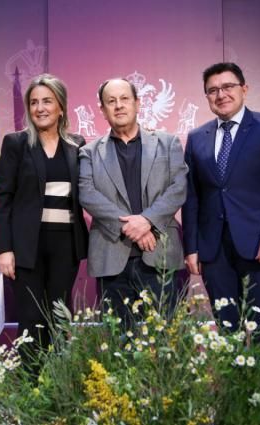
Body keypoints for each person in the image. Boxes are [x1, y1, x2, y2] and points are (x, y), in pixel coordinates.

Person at [182, 62, 260, 344]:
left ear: (244, 89)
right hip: (213, 250)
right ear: (206, 97)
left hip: (259, 246)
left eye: (228, 87)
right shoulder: (197, 137)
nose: (221, 94)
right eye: (213, 90)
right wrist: (192, 247)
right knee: (226, 329)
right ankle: (234, 388)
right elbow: (192, 195)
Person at [79, 78, 187, 325]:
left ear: (137, 104)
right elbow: (87, 194)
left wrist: (147, 221)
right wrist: (132, 228)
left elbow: (178, 188)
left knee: (165, 338)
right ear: (103, 110)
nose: (118, 106)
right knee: (119, 344)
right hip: (111, 255)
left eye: (124, 99)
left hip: (159, 253)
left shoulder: (167, 143)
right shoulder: (89, 152)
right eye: (111, 101)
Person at [0, 74, 88, 355]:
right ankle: (31, 392)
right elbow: (2, 198)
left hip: (65, 246)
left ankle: (59, 388)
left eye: (47, 101)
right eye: (34, 102)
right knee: (31, 320)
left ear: (61, 106)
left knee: (60, 318)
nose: (40, 108)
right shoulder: (16, 143)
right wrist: (4, 248)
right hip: (26, 248)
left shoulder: (78, 144)